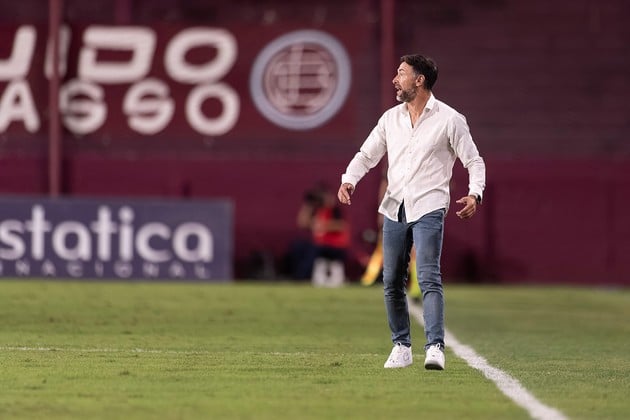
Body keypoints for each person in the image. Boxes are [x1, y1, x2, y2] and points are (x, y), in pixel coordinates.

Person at [337, 54, 486, 370]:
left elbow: (473, 160)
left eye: (401, 73)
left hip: (429, 205)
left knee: (428, 275)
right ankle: (401, 346)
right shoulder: (390, 119)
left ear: (419, 80)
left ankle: (435, 347)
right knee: (391, 280)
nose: (395, 79)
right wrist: (349, 179)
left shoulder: (450, 119)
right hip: (395, 206)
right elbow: (367, 154)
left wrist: (475, 193)